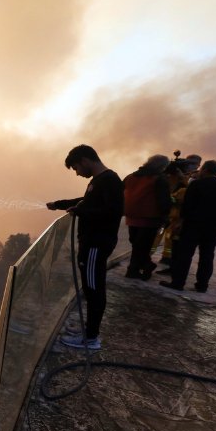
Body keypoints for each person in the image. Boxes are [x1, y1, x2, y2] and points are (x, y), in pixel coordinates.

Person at [47, 144, 124, 349]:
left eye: (76, 168)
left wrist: (82, 213)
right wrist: (60, 204)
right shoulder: (99, 181)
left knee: (93, 289)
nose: (77, 173)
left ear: (84, 161)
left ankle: (90, 338)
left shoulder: (110, 180)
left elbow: (113, 211)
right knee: (91, 288)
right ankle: (88, 328)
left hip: (96, 245)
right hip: (92, 243)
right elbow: (88, 202)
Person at [160, 160, 216, 292]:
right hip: (212, 228)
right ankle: (202, 285)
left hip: (192, 226)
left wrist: (180, 222)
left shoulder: (197, 185)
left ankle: (178, 282)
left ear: (205, 170)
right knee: (207, 256)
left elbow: (187, 206)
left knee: (185, 255)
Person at [122, 155, 171, 280]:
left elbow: (121, 192)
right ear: (162, 166)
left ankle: (140, 267)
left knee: (137, 245)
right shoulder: (159, 179)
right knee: (143, 246)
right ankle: (136, 269)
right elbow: (163, 201)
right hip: (150, 218)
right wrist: (165, 218)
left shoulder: (131, 176)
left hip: (131, 216)